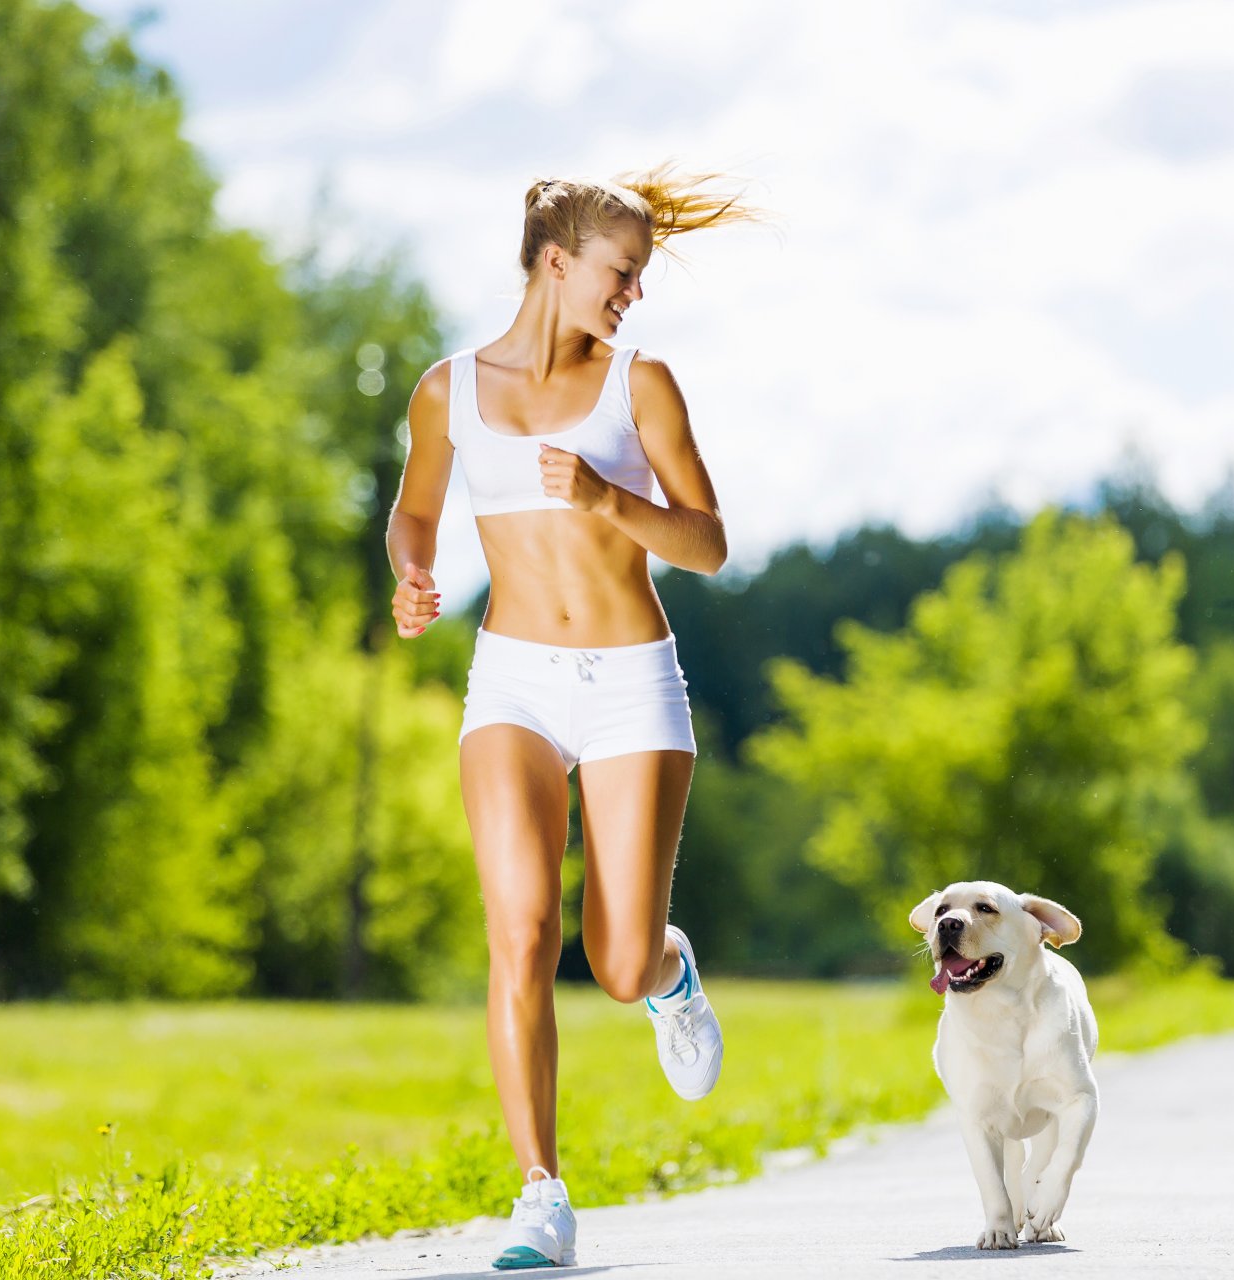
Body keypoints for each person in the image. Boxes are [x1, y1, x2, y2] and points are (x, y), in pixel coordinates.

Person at [386, 167, 758, 1270]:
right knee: (521, 933)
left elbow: (707, 541)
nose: (632, 294)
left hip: (632, 682)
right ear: (558, 263)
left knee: (617, 956)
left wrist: (608, 498)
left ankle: (669, 975)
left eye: (638, 277)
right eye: (621, 273)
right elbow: (413, 513)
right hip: (512, 681)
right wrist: (412, 574)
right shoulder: (448, 388)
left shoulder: (641, 385)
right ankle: (539, 1192)